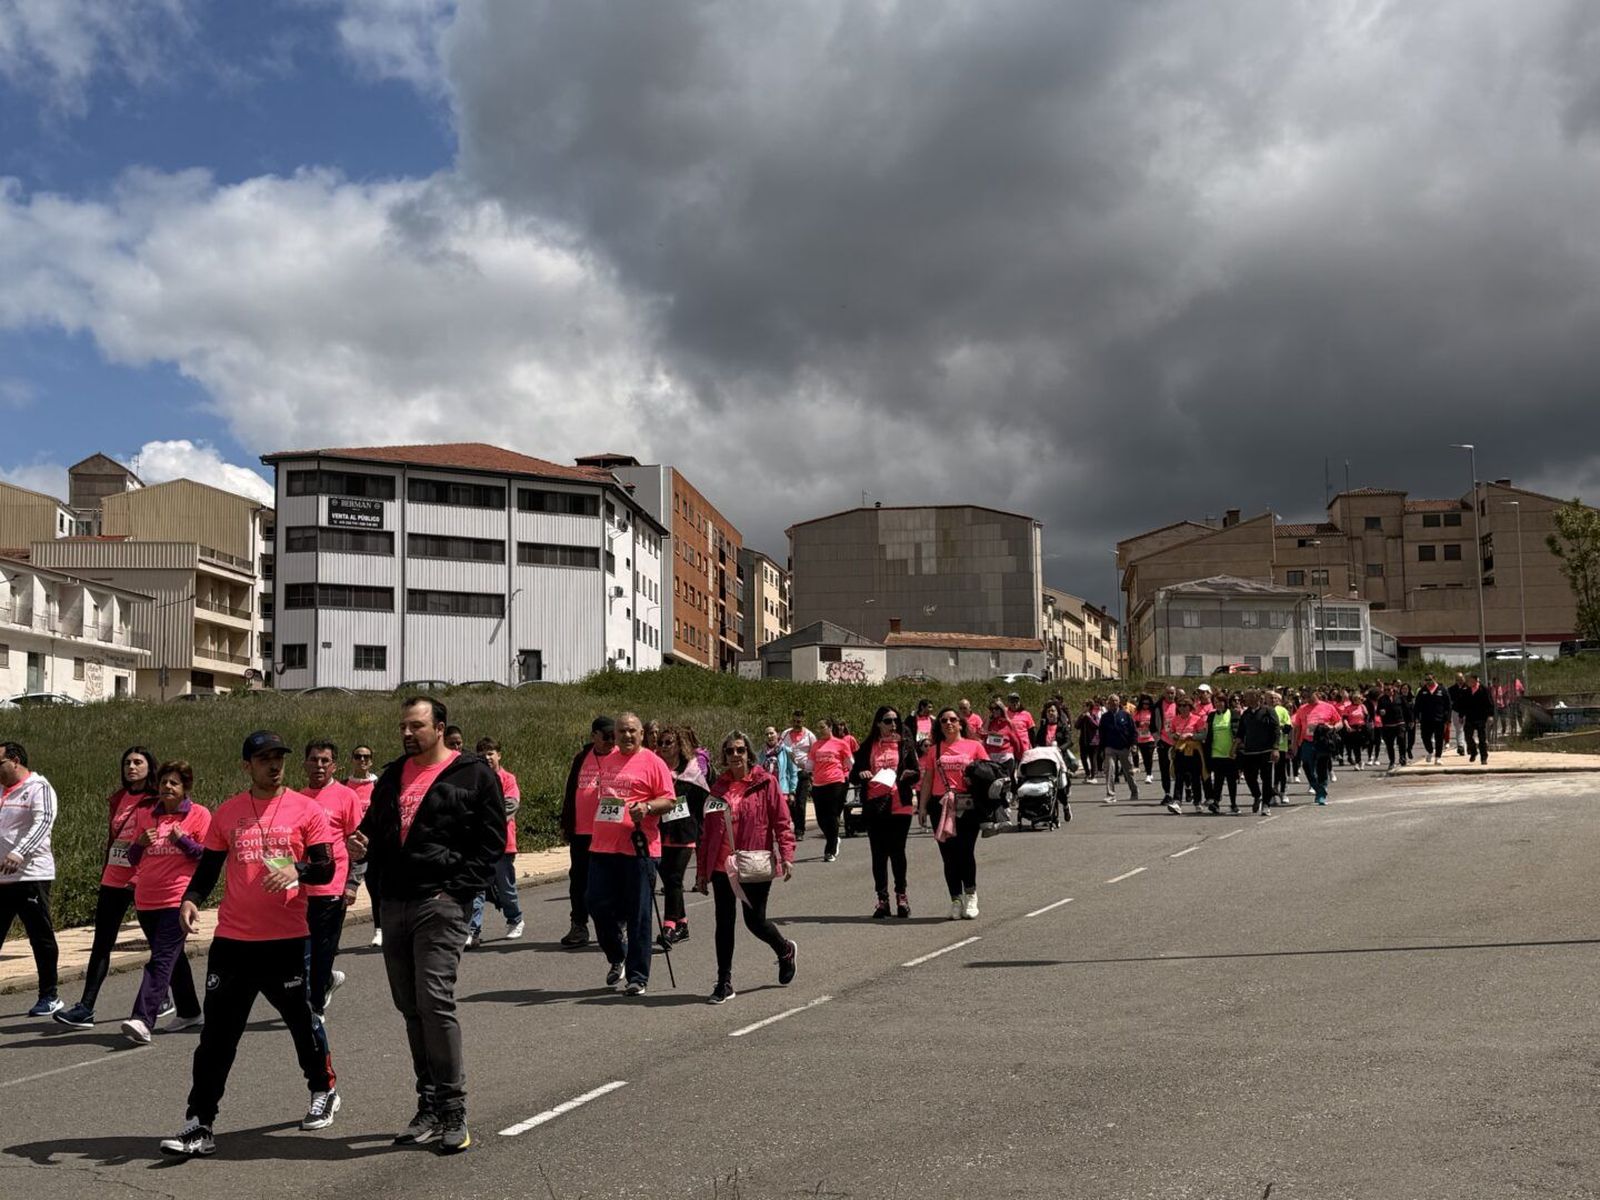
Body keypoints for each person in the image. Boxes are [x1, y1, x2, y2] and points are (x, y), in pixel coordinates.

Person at [158, 730, 338, 1158]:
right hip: (233, 942)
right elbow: (209, 867)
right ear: (247, 766)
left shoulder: (306, 809)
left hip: (287, 940)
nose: (274, 765)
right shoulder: (228, 813)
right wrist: (191, 899)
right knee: (218, 1037)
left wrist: (298, 869)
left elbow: (326, 867)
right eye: (264, 759)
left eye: (278, 757)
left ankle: (323, 1087)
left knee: (300, 1024)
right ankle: (199, 1123)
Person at [348, 698, 506, 1155]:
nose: (406, 733)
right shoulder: (394, 775)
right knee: (410, 1006)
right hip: (394, 901)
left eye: (416, 725)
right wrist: (362, 843)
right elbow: (373, 827)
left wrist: (457, 891)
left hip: (440, 902)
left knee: (435, 1001)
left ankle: (454, 1109)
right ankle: (430, 1104)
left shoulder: (474, 774)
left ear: (439, 727)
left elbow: (490, 843)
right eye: (402, 726)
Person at [54, 746, 161, 1029]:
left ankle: (165, 996)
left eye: (138, 762)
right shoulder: (119, 798)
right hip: (113, 876)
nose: (131, 767)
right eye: (127, 762)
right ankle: (86, 1006)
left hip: (143, 876)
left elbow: (156, 840)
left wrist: (141, 873)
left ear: (150, 767)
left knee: (159, 941)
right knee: (102, 942)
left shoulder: (157, 800)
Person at [696, 730, 797, 1004]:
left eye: (740, 750)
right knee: (724, 923)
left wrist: (786, 854)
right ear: (724, 756)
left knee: (755, 922)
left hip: (754, 862)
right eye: (729, 751)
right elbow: (707, 833)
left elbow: (781, 821)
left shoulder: (766, 783)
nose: (735, 755)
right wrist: (702, 871)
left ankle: (784, 949)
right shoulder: (717, 788)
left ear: (749, 754)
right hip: (722, 866)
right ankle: (724, 981)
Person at [582, 712, 677, 997]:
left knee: (638, 914)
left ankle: (637, 977)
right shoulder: (607, 761)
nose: (627, 736)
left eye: (632, 731)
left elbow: (669, 800)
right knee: (596, 904)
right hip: (602, 846)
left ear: (641, 734)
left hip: (639, 849)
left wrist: (647, 808)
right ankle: (617, 953)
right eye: (622, 731)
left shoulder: (653, 762)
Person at [121, 761, 209, 1043]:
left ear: (185, 788)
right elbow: (132, 859)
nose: (167, 788)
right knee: (174, 958)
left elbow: (207, 857)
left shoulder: (198, 815)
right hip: (146, 899)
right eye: (163, 783)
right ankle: (190, 1011)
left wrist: (183, 841)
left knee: (160, 959)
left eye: (174, 783)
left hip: (178, 899)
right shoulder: (147, 814)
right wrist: (139, 845)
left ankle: (142, 1019)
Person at [301, 740, 365, 1018]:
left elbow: (359, 844)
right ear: (305, 763)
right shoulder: (298, 798)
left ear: (334, 766)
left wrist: (352, 884)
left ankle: (315, 1005)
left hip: (332, 886)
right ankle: (324, 982)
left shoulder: (346, 797)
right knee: (300, 953)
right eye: (314, 760)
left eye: (325, 761)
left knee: (323, 948)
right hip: (300, 888)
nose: (319, 765)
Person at [0, 742, 62, 1017]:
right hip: (1, 878)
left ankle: (49, 996)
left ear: (14, 761)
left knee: (40, 936)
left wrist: (18, 853)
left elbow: (43, 822)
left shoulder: (39, 788)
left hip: (31, 875)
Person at [919, 707, 991, 919]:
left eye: (953, 719)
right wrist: (922, 807)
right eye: (943, 720)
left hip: (967, 806)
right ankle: (955, 899)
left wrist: (973, 780)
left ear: (961, 723)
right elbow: (928, 780)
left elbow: (988, 773)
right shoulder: (934, 750)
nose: (948, 723)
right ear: (939, 725)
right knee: (948, 857)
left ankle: (971, 895)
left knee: (965, 852)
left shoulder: (974, 746)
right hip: (940, 806)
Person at [853, 705, 920, 919]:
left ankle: (902, 896)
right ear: (878, 723)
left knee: (897, 852)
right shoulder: (867, 746)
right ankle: (882, 900)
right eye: (888, 721)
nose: (893, 725)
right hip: (875, 803)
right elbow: (853, 775)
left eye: (895, 721)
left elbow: (916, 773)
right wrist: (861, 773)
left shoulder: (905, 744)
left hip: (900, 802)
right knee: (879, 854)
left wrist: (909, 775)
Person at [558, 717, 616, 949]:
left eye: (614, 737)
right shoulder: (582, 758)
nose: (612, 741)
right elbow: (571, 790)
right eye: (607, 737)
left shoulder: (620, 757)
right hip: (582, 831)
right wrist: (566, 824)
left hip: (610, 831)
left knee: (610, 881)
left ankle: (615, 924)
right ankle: (579, 925)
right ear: (594, 736)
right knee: (579, 880)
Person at [467, 738, 525, 947]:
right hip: (479, 845)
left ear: (499, 755)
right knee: (477, 889)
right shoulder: (474, 779)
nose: (487, 757)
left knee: (505, 887)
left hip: (503, 844)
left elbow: (510, 806)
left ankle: (515, 918)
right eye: (482, 753)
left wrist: (482, 815)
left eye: (491, 753)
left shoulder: (508, 779)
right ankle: (473, 930)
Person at [656, 727, 709, 945]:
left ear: (678, 745)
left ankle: (669, 926)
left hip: (685, 832)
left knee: (675, 878)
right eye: (660, 743)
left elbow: (703, 801)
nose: (663, 747)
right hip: (661, 833)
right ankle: (683, 923)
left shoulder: (692, 771)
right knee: (669, 880)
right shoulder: (656, 769)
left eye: (668, 742)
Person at [345, 745, 383, 946]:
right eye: (358, 756)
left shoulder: (378, 785)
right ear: (352, 759)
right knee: (344, 888)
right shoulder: (344, 786)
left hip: (373, 845)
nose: (362, 760)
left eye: (366, 757)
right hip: (348, 844)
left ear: (371, 760)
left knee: (375, 887)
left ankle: (379, 929)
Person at [809, 718, 854, 862]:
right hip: (818, 784)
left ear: (829, 728)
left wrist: (851, 774)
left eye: (822, 727)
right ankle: (834, 838)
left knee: (833, 815)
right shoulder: (816, 745)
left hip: (836, 782)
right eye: (818, 727)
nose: (820, 730)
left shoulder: (841, 744)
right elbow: (809, 765)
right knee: (821, 819)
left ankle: (830, 850)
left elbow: (850, 763)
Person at [1292, 690, 1344, 806]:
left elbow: (1340, 722)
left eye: (1309, 695)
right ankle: (1318, 788)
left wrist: (1333, 727)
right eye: (1304, 697)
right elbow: (1297, 728)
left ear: (1316, 694)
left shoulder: (1328, 707)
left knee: (1322, 767)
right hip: (1307, 742)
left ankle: (1321, 794)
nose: (1307, 699)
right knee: (1306, 766)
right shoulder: (1302, 709)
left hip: (1322, 742)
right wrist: (1294, 745)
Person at [1236, 692, 1281, 815]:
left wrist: (1275, 748)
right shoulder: (1246, 714)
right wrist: (1234, 747)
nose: (1247, 700)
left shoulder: (1268, 711)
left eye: (1249, 697)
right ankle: (1257, 795)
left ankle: (1266, 805)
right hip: (1250, 751)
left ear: (1257, 698)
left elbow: (1276, 730)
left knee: (1266, 778)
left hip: (1266, 751)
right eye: (1246, 698)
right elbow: (1240, 733)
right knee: (1249, 776)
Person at [1164, 699, 1206, 814]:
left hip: (1193, 751)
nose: (1182, 708)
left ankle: (1197, 802)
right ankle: (1177, 801)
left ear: (1190, 707)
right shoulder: (1175, 719)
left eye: (1185, 706)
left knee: (1195, 778)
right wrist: (1175, 735)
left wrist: (1191, 735)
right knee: (1179, 777)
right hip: (1180, 750)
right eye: (1180, 706)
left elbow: (1203, 734)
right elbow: (1171, 733)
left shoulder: (1197, 719)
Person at [1204, 694, 1242, 814]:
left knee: (1231, 780)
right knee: (1218, 780)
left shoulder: (1233, 714)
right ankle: (1216, 803)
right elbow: (1208, 735)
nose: (1218, 704)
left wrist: (1236, 750)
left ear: (1226, 702)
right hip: (1216, 753)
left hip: (1230, 753)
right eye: (1216, 702)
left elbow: (1238, 733)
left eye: (1221, 701)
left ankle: (1233, 804)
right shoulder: (1211, 716)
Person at [781, 711, 817, 838]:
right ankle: (796, 824)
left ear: (803, 721)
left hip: (803, 772)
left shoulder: (810, 736)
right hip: (788, 773)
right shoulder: (785, 734)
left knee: (801, 803)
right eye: (795, 721)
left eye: (799, 722)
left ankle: (799, 830)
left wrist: (811, 771)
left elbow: (815, 753)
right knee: (791, 802)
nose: (797, 724)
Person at [1099, 695, 1139, 804]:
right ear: (1108, 703)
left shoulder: (1125, 715)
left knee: (1128, 772)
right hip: (1110, 748)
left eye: (1116, 701)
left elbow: (1134, 732)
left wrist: (1134, 744)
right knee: (1110, 771)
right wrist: (1101, 749)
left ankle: (1134, 791)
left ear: (1119, 702)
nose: (1113, 703)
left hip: (1124, 747)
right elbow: (1101, 734)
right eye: (1111, 701)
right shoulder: (1105, 717)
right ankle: (1110, 794)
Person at [982, 697, 1027, 775]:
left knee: (1007, 780)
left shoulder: (1008, 723)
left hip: (1005, 757)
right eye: (992, 709)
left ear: (1001, 709)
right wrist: (989, 719)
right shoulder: (989, 723)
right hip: (991, 758)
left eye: (997, 709)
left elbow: (1016, 741)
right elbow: (983, 733)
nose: (994, 711)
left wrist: (1020, 756)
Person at [1415, 673, 1451, 764]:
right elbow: (1417, 705)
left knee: (1439, 738)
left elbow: (1448, 705)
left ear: (1434, 679)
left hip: (1439, 719)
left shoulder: (1442, 690)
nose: (1427, 682)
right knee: (1425, 737)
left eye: (1429, 679)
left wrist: (1447, 718)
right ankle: (1430, 751)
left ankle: (1438, 757)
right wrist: (1416, 717)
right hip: (1426, 719)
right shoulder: (1422, 691)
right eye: (1426, 680)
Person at [1461, 672, 1495, 763]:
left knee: (1482, 738)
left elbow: (1490, 703)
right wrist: (1461, 715)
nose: (1469, 682)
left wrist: (1490, 715)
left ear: (1476, 680)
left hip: (1481, 717)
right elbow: (1463, 705)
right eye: (1469, 681)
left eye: (1471, 681)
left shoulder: (1484, 690)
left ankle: (1484, 757)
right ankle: (1473, 751)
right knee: (1467, 736)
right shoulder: (1467, 691)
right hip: (1470, 718)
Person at [1156, 685, 1179, 801]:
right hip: (1163, 741)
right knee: (1164, 768)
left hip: (1178, 741)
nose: (1170, 695)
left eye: (1172, 693)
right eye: (1168, 693)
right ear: (1164, 694)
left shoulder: (1180, 705)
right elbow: (1153, 723)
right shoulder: (1158, 706)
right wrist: (1157, 738)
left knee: (1180, 768)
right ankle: (1167, 793)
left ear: (1175, 693)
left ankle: (1185, 789)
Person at [1133, 695, 1157, 784]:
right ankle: (1148, 771)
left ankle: (1148, 774)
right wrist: (1141, 723)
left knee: (1149, 756)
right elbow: (1134, 723)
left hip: (1150, 737)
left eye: (1147, 703)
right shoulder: (1137, 712)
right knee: (1144, 756)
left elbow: (1156, 722)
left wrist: (1149, 724)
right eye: (1144, 703)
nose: (1145, 705)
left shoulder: (1152, 712)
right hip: (1141, 737)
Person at [1447, 673, 1472, 757]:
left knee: (1468, 729)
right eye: (1458, 679)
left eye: (1461, 679)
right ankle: (1460, 746)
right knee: (1459, 729)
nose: (1460, 681)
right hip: (1456, 711)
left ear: (1464, 679)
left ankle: (1469, 746)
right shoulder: (1451, 689)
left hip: (1467, 711)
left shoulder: (1469, 688)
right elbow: (1449, 701)